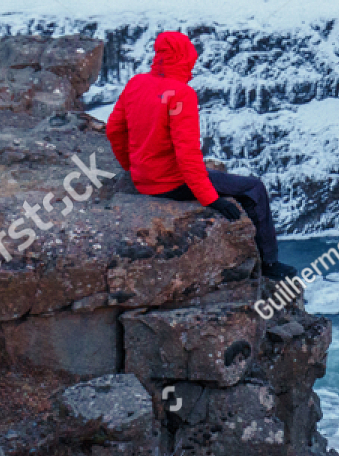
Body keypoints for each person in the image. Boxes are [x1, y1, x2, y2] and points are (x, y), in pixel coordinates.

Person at [105, 31, 297, 281]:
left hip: (144, 180)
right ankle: (269, 264)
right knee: (254, 189)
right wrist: (212, 200)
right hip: (171, 183)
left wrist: (132, 168)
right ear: (185, 58)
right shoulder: (181, 94)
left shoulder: (137, 83)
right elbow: (187, 155)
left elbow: (114, 129)